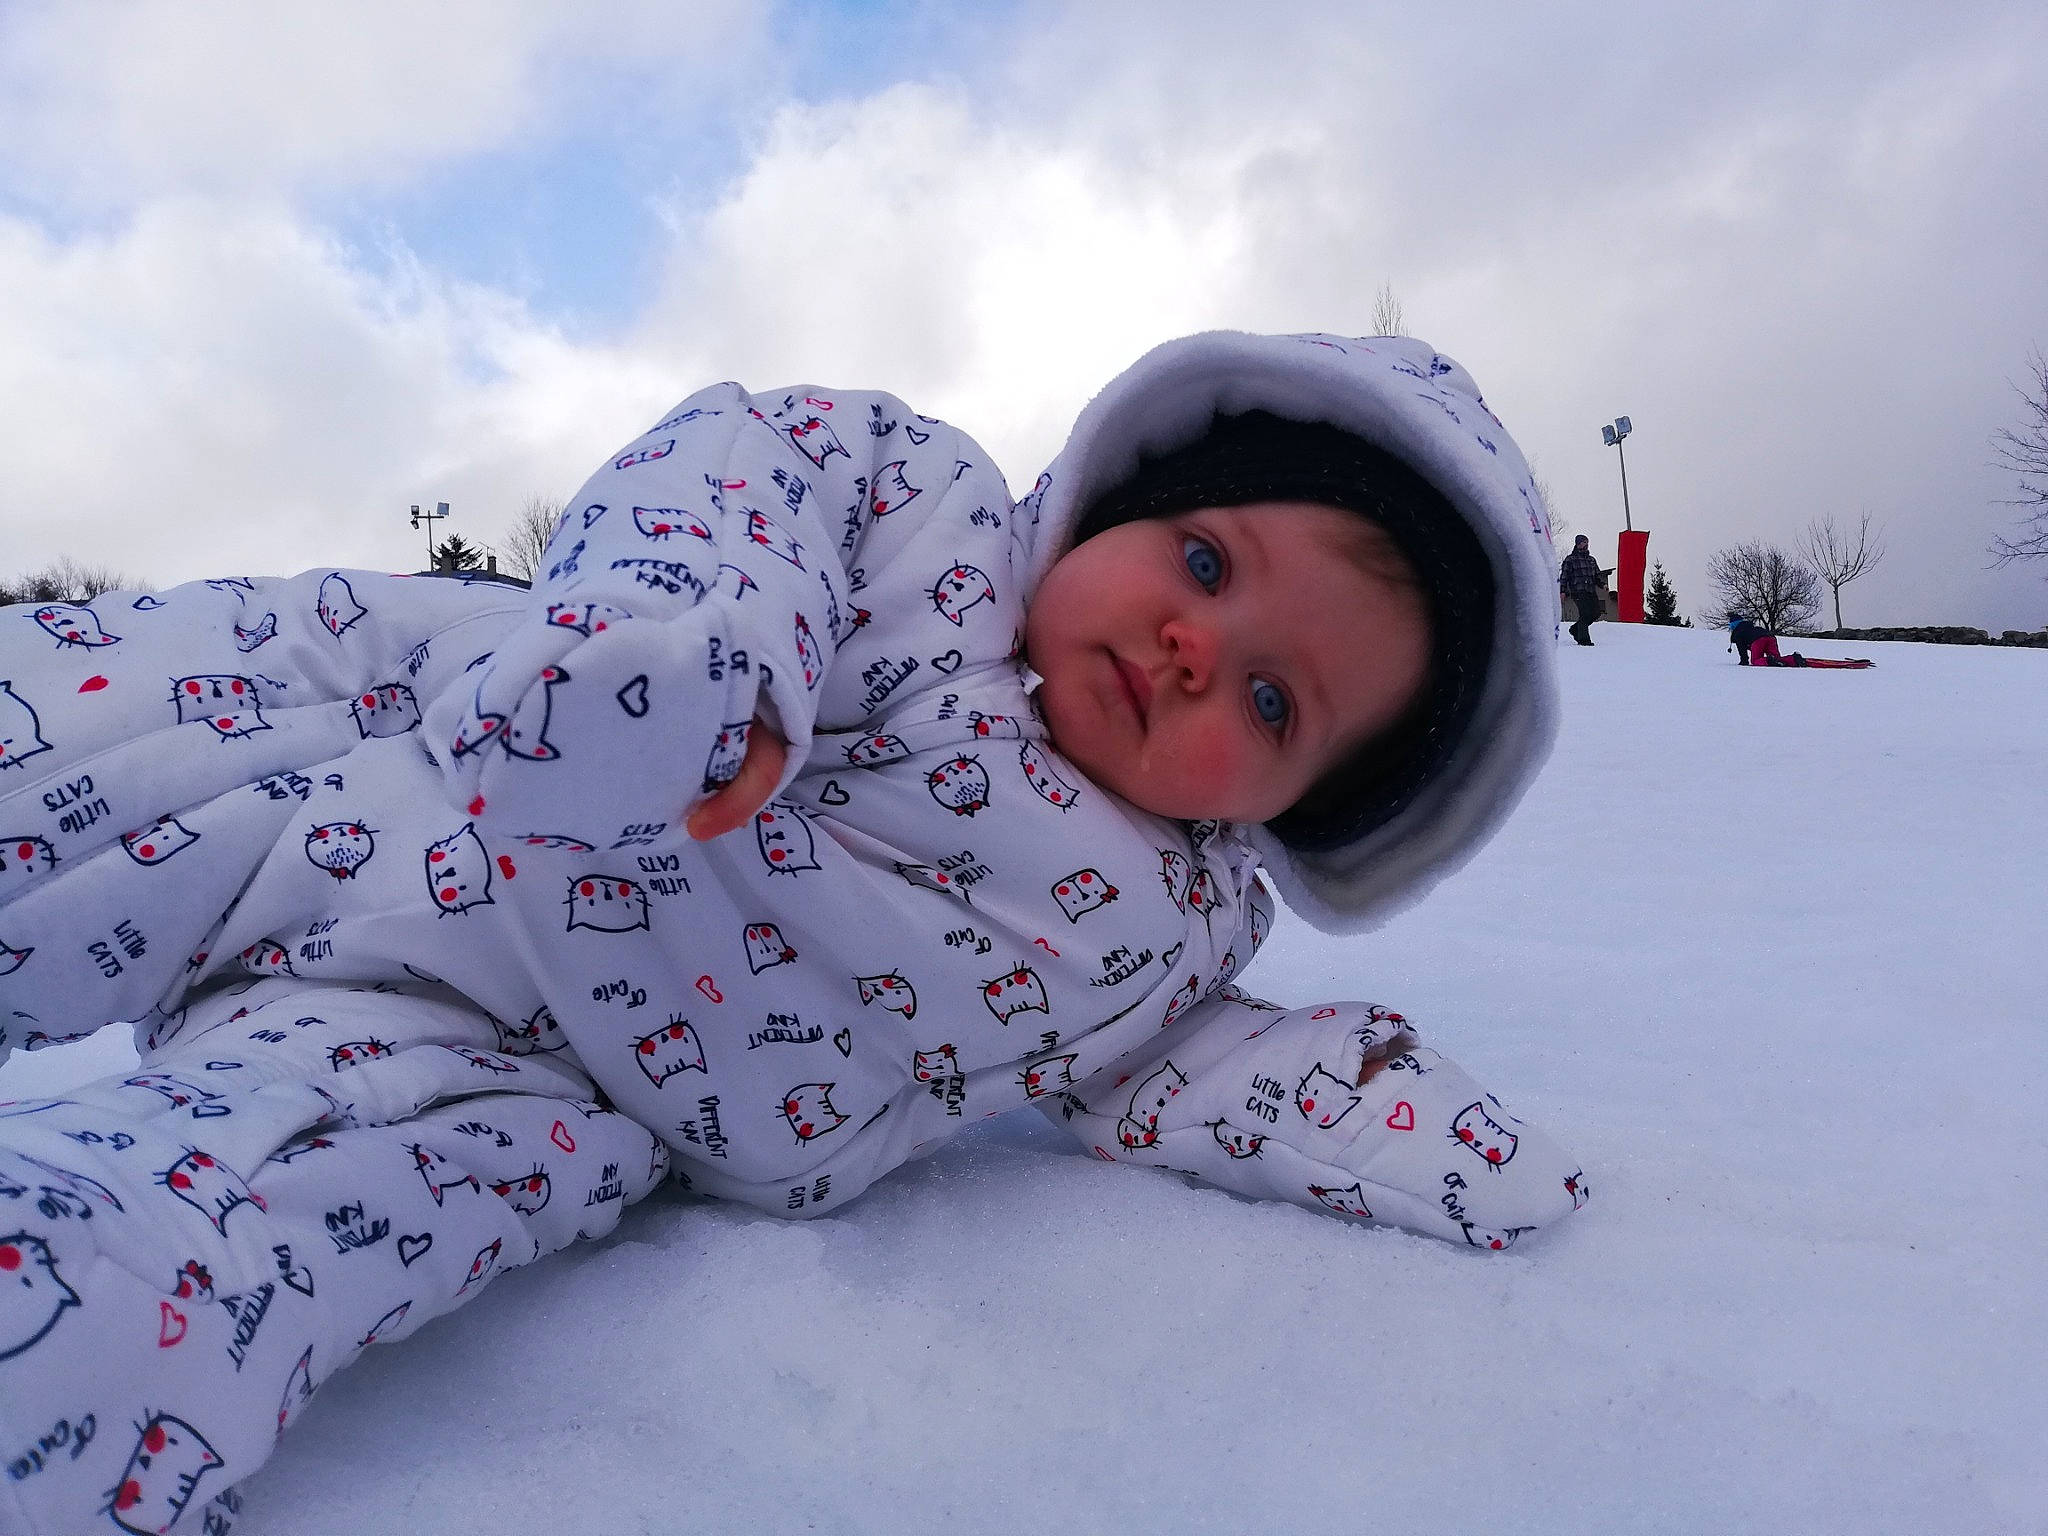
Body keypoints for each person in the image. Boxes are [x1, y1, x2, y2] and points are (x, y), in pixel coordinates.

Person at [0, 332, 1590, 1533]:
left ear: (1307, 803)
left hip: (511, 1086)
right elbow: (735, 476)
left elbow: (1217, 1073)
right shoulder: (925, 515)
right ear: (1132, 495)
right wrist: (697, 655)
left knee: (208, 1242)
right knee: (74, 742)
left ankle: (71, 1286)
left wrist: (1400, 1120)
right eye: (1205, 559)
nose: (1193, 647)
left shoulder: (1164, 946)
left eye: (1270, 697)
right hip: (392, 768)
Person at [1559, 533, 1608, 645]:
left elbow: (1597, 575)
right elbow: (1564, 576)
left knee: (1596, 612)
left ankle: (1575, 629)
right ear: (1578, 544)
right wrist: (1562, 591)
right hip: (1578, 590)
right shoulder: (1570, 560)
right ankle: (1584, 640)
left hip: (1590, 590)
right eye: (1583, 542)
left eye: (1587, 542)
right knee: (1585, 614)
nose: (1586, 544)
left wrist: (1603, 584)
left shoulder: (1591, 560)